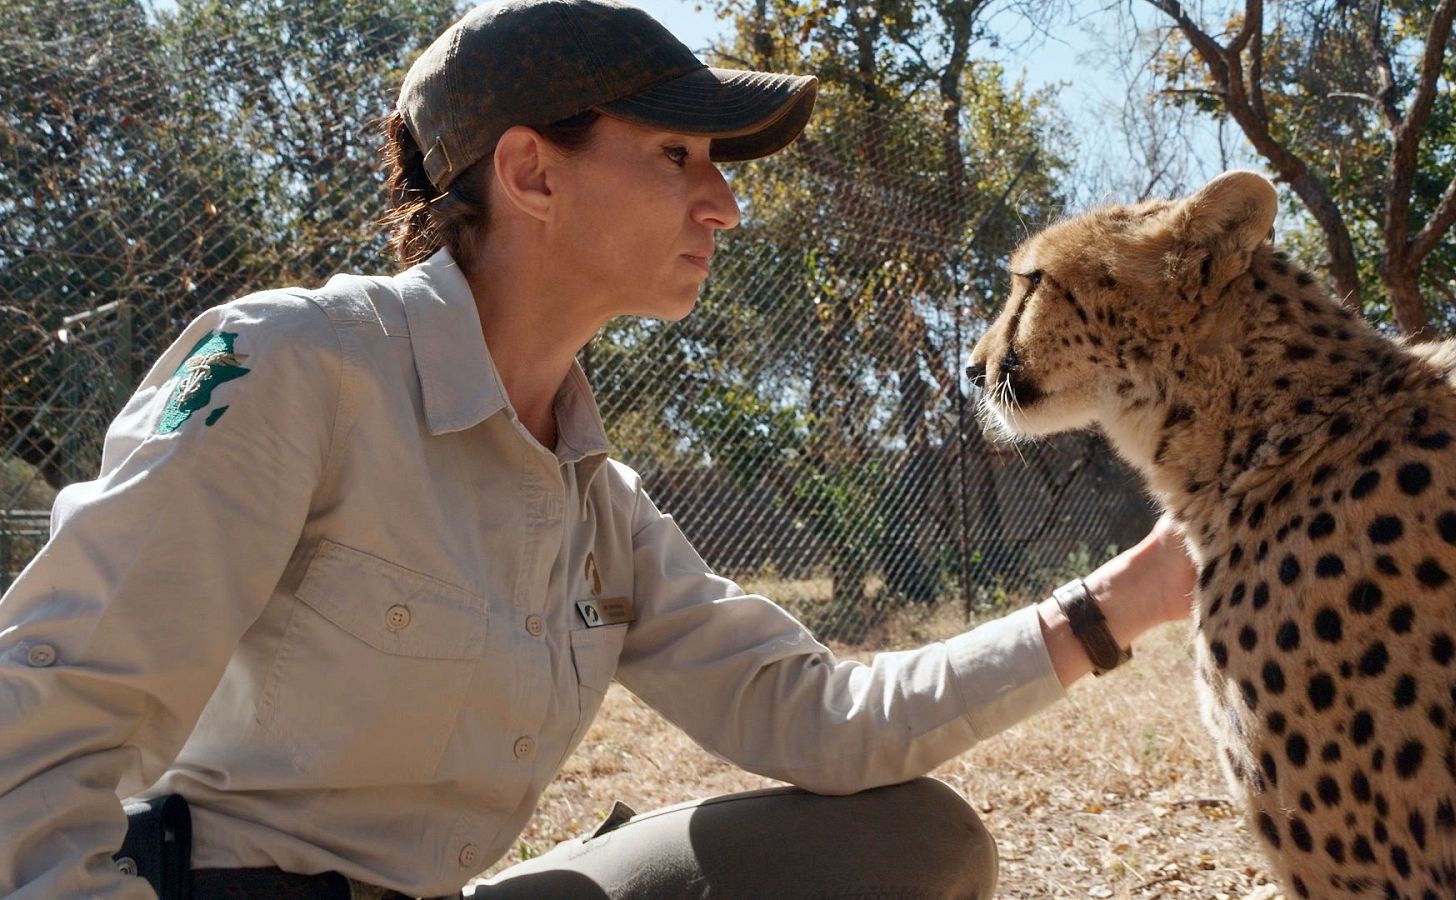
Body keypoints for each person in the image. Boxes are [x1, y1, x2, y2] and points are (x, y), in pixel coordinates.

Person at [0, 1, 1197, 898]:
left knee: (910, 842)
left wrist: (1128, 598)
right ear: (530, 173)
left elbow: (821, 716)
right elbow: (39, 737)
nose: (722, 202)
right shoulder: (291, 365)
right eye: (677, 155)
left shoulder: (595, 500)